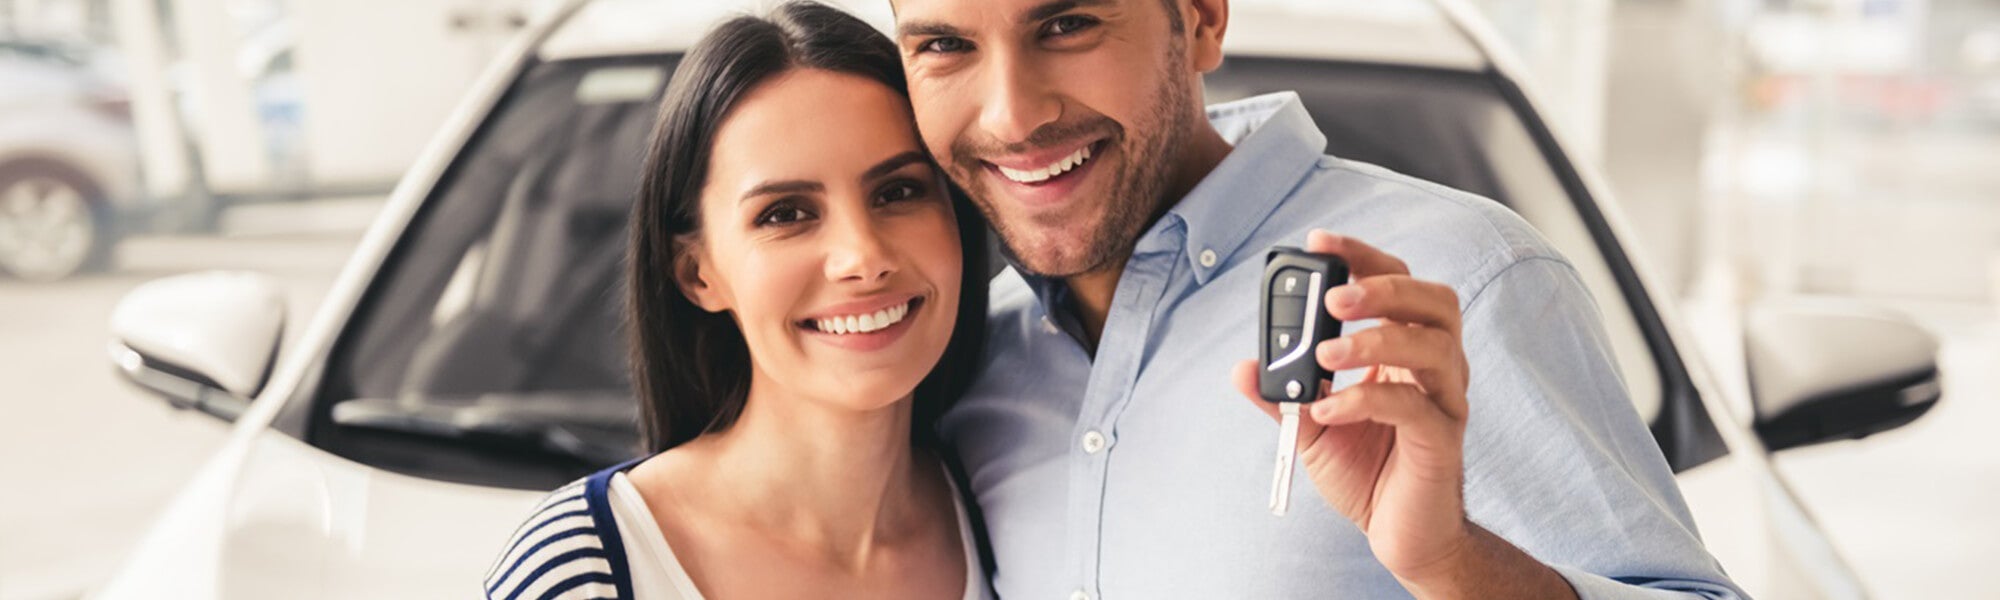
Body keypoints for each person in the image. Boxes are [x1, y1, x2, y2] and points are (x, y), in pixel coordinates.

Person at [888, 0, 1747, 597]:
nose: (1011, 116)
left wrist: (1452, 566)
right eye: (944, 45)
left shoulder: (1452, 282)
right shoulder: (959, 359)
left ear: (1202, 19)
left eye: (1067, 24)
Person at [483, 3, 993, 599]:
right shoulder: (584, 566)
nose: (862, 255)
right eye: (785, 214)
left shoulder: (1010, 510)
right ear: (697, 274)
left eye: (898, 192)